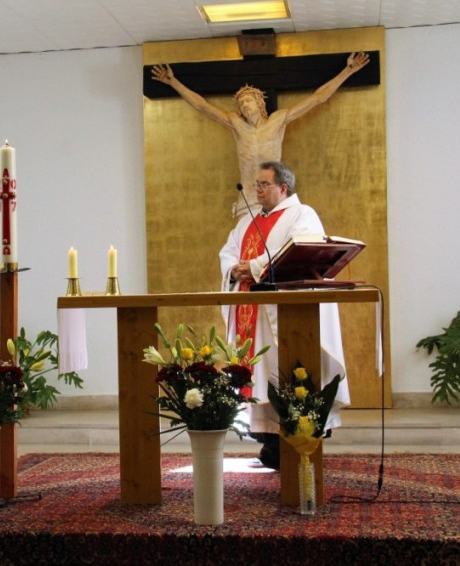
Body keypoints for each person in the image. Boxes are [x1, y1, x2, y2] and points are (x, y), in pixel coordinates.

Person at [218, 161, 349, 468]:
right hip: (253, 314)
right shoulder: (247, 222)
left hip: (284, 315)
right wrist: (234, 269)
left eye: (264, 184)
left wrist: (252, 267)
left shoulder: (302, 215)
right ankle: (270, 445)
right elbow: (228, 252)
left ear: (283, 188)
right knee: (261, 377)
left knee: (287, 373)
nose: (257, 190)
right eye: (256, 185)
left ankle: (298, 442)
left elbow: (299, 251)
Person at [151, 52, 369, 217]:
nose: (245, 105)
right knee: (246, 249)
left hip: (274, 196)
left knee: (274, 250)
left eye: (249, 100)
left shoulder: (278, 120)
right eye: (241, 103)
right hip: (248, 196)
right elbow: (202, 106)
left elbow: (317, 98)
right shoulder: (236, 124)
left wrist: (348, 70)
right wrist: (173, 82)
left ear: (260, 103)